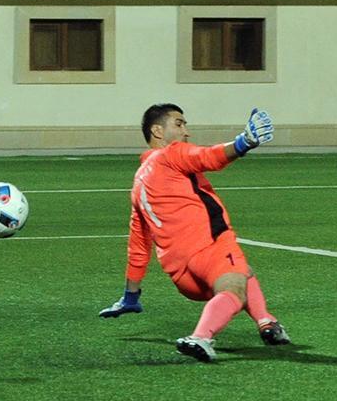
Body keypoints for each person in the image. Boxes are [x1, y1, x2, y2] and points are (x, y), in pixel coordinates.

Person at [99, 104, 290, 363]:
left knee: (244, 271)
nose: (186, 132)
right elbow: (207, 157)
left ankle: (267, 322)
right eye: (179, 124)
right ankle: (200, 337)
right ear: (157, 131)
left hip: (182, 275)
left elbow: (139, 244)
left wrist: (131, 296)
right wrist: (243, 143)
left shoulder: (139, 182)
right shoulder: (170, 155)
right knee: (234, 290)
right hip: (209, 247)